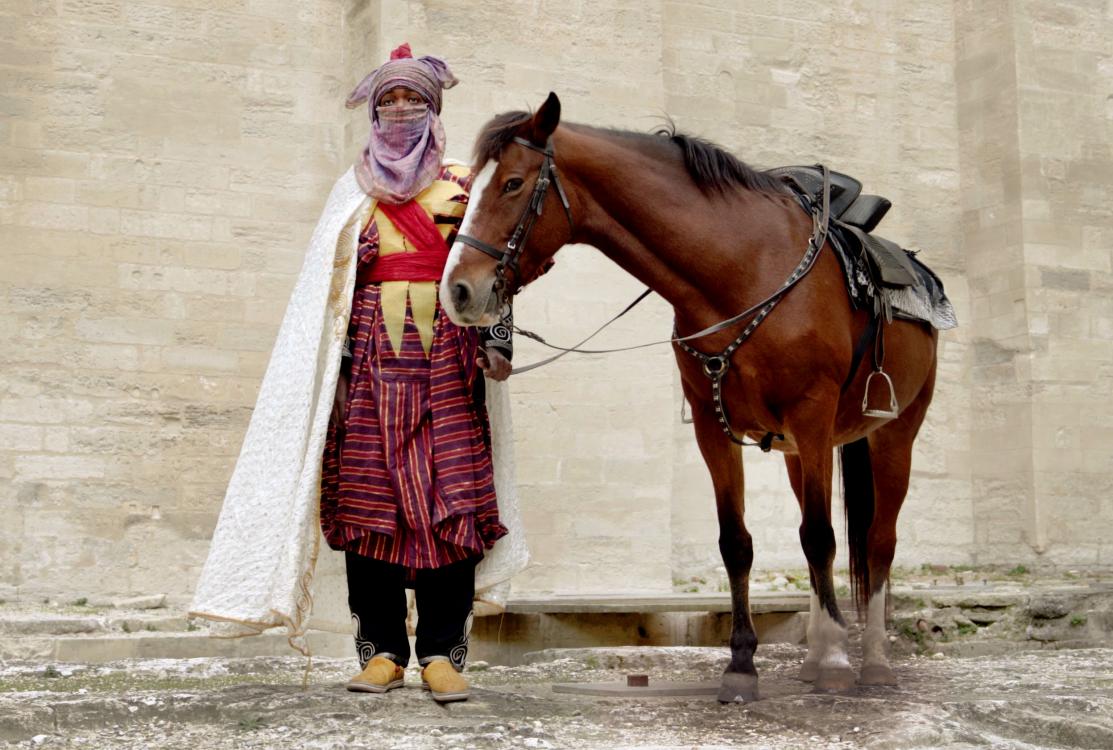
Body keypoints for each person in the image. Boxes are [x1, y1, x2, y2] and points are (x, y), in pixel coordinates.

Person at [319, 43, 511, 703]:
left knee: (450, 506)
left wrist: (498, 340)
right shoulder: (354, 189)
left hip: (448, 366)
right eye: (389, 100)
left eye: (413, 100)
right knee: (368, 507)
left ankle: (440, 653)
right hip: (371, 366)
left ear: (434, 110)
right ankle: (380, 654)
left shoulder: (464, 182)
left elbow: (493, 264)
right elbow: (332, 285)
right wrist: (333, 375)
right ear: (374, 112)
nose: (401, 110)